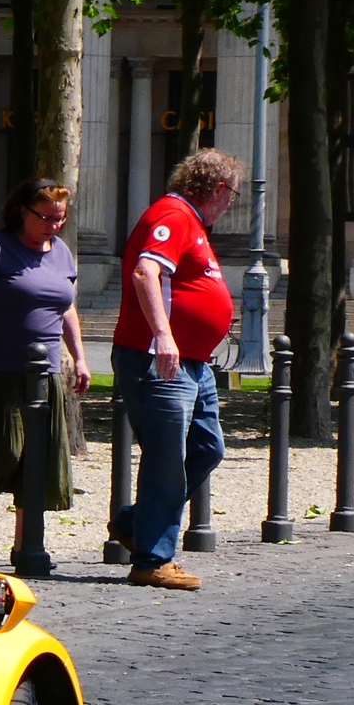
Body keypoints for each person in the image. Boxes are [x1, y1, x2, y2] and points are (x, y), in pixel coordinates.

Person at [113, 148, 244, 590]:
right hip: (162, 360)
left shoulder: (193, 223)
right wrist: (165, 335)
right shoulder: (172, 214)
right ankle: (152, 558)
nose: (231, 205)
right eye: (233, 195)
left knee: (207, 448)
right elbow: (146, 272)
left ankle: (137, 524)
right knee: (167, 460)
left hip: (194, 363)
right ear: (218, 188)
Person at [0, 177, 91, 556]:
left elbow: (67, 309)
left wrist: (80, 358)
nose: (53, 225)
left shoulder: (60, 252)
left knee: (39, 459)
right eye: (45, 217)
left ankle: (26, 545)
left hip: (45, 373)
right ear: (21, 212)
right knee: (2, 451)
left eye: (60, 218)